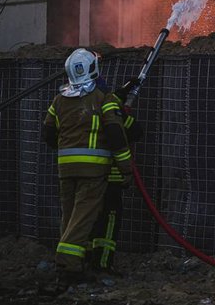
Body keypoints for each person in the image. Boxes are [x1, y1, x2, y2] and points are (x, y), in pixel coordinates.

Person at [42, 48, 133, 284]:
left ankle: (75, 260)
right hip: (93, 171)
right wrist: (126, 168)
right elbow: (116, 135)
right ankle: (68, 263)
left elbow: (48, 134)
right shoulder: (103, 98)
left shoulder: (59, 100)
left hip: (65, 169)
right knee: (83, 216)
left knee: (70, 216)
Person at [88, 77, 143, 277]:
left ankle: (85, 260)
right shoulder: (111, 112)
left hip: (87, 178)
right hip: (109, 179)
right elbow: (134, 132)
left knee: (87, 219)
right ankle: (102, 264)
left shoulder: (80, 108)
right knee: (109, 220)